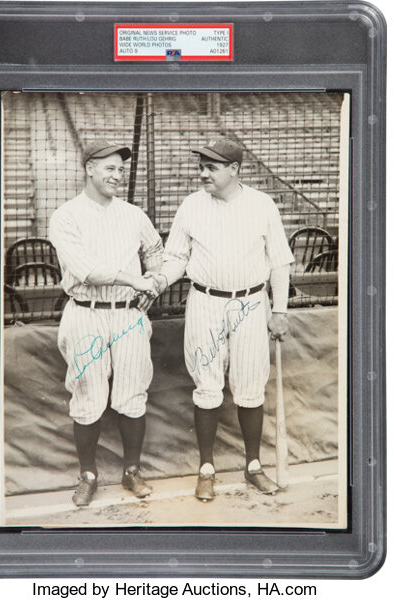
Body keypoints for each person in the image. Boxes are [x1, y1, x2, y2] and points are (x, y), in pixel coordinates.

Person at [147, 137, 295, 502]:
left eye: (211, 167)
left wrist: (279, 310)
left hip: (250, 302)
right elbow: (177, 256)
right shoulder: (192, 205)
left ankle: (254, 466)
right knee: (207, 386)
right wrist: (160, 281)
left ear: (235, 169)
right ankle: (206, 468)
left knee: (250, 386)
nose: (203, 173)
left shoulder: (262, 205)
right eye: (201, 166)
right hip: (206, 301)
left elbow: (279, 261)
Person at [49, 139, 161, 507]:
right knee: (88, 398)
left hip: (128, 314)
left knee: (132, 395)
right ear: (89, 169)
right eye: (110, 168)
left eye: (121, 169)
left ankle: (131, 471)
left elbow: (156, 252)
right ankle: (88, 475)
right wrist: (135, 279)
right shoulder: (66, 215)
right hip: (86, 311)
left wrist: (155, 283)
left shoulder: (132, 214)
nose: (118, 175)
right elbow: (86, 270)